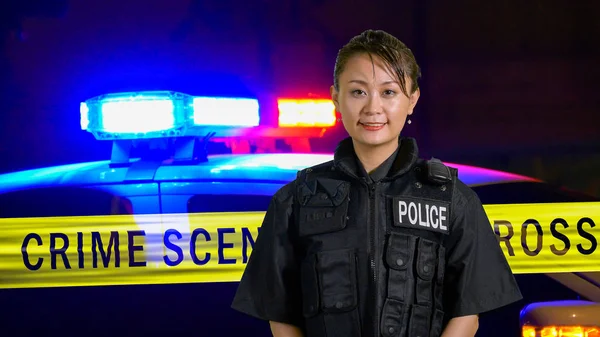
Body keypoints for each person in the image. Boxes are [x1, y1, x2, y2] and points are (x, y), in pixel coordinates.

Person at [231, 29, 522, 337]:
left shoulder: (451, 200)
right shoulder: (295, 201)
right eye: (358, 91)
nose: (372, 108)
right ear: (335, 97)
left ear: (412, 100)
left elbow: (467, 316)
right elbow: (281, 316)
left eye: (389, 92)